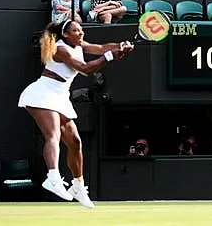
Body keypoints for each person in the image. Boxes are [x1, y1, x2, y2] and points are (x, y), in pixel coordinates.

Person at [18, 19, 133, 208]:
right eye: (76, 31)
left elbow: (102, 47)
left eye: (81, 30)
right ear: (66, 35)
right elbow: (86, 69)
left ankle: (78, 185)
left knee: (75, 142)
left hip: (61, 95)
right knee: (53, 134)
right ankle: (52, 177)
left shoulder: (80, 44)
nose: (81, 33)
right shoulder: (61, 49)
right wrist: (110, 57)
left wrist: (120, 46)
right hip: (43, 93)